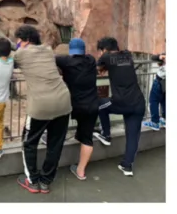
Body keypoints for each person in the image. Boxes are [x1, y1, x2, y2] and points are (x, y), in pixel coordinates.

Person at [13, 25, 72, 194]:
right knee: (55, 144)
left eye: (19, 40)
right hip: (63, 101)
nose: (17, 43)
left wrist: (17, 49)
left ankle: (32, 181)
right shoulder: (47, 51)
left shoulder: (20, 53)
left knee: (29, 142)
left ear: (26, 41)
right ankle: (46, 181)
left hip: (40, 106)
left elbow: (6, 59)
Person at [94, 37, 146, 175]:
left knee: (99, 104)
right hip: (138, 102)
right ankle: (127, 166)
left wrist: (102, 64)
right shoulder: (127, 55)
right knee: (132, 136)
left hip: (122, 102)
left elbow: (98, 69)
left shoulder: (106, 56)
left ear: (104, 49)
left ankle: (106, 135)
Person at [55, 38, 99, 181]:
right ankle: (81, 171)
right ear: (84, 50)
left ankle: (48, 137)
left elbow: (51, 59)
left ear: (71, 51)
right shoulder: (91, 60)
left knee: (57, 125)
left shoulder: (65, 61)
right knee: (87, 138)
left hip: (73, 105)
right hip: (92, 105)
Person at [144, 51, 166, 130]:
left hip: (160, 80)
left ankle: (155, 122)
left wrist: (161, 57)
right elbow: (154, 57)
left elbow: (153, 57)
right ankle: (165, 119)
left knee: (153, 100)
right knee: (164, 100)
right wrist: (160, 57)